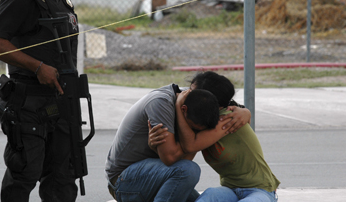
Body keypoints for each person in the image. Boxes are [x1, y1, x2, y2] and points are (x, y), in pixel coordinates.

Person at [0, 0, 79, 202]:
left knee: (62, 180)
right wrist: (38, 67)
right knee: (23, 176)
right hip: (29, 107)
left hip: (61, 104)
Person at [105, 81, 251, 202]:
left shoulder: (195, 104)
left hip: (158, 175)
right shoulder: (161, 103)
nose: (192, 134)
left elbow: (184, 155)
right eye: (194, 129)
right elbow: (171, 158)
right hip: (123, 181)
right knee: (188, 170)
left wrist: (245, 112)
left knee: (201, 199)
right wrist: (192, 139)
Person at [150, 72, 280, 202]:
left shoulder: (226, 118)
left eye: (193, 93)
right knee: (210, 195)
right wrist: (155, 146)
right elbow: (182, 155)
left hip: (260, 189)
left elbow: (190, 145)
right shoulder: (200, 122)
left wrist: (179, 107)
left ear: (211, 101)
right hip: (230, 189)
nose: (187, 95)